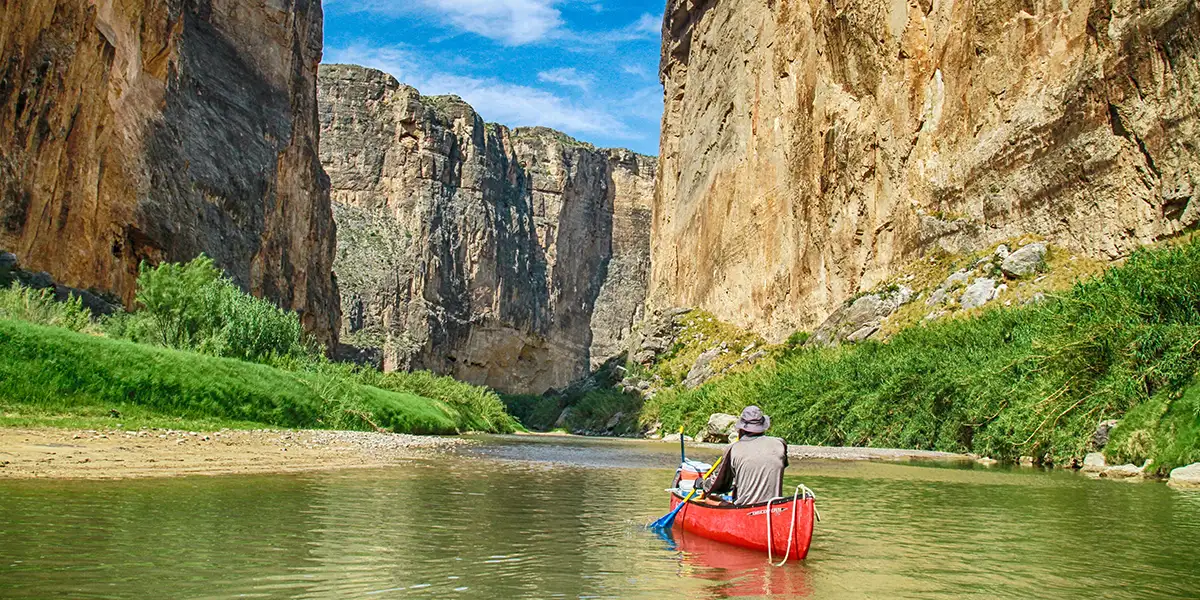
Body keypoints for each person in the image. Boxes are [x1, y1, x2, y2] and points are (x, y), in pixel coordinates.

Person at [698, 406, 788, 506]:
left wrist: (703, 484)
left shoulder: (733, 449)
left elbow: (719, 485)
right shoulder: (780, 444)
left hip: (745, 509)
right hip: (774, 507)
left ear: (741, 429)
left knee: (710, 499)